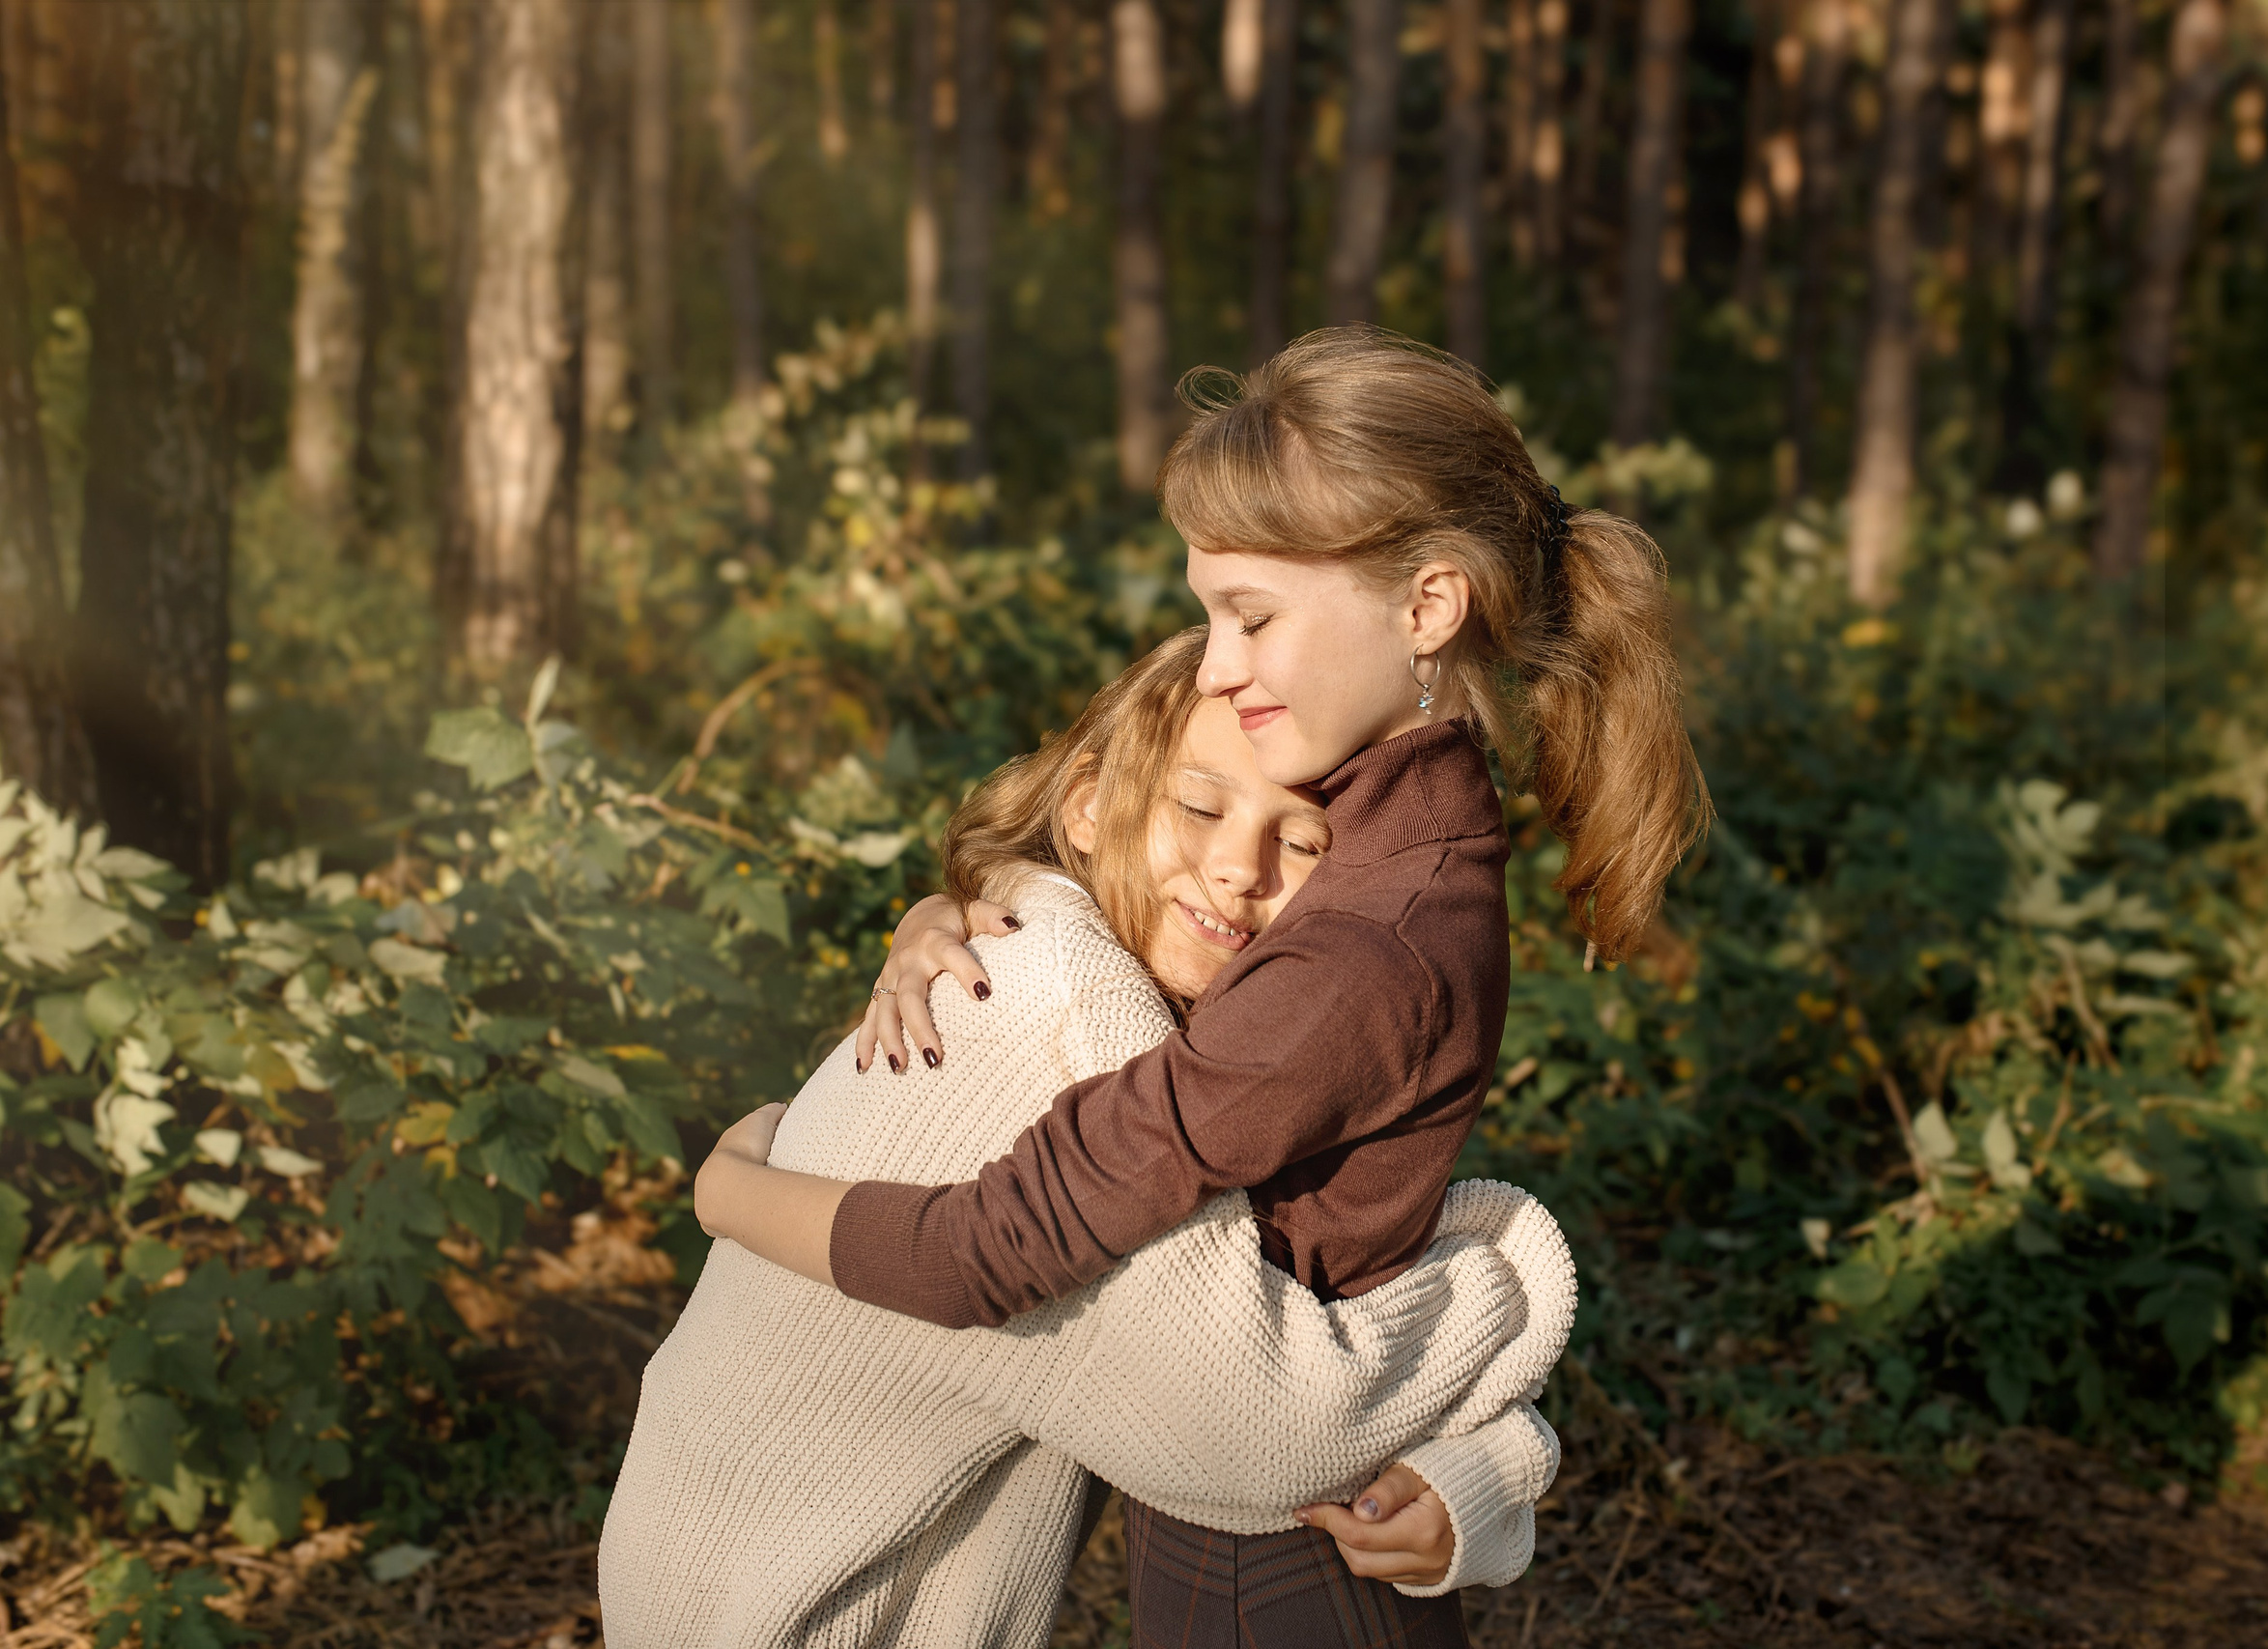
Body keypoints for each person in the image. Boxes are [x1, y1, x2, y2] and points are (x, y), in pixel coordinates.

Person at [759, 327, 1712, 1645]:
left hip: (1279, 1574)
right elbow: (1137, 889)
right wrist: (947, 910)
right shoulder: (1359, 832)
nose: (1214, 661)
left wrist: (734, 1187)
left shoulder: (1366, 936)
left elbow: (998, 1243)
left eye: (1250, 614)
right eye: (1210, 612)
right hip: (1255, 1530)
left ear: (1428, 608)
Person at [601, 630, 1573, 1649]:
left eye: (1303, 843)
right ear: (1089, 802)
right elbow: (1274, 1437)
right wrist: (1506, 1270)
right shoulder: (1064, 1019)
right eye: (1199, 806)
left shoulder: (1095, 981)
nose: (1239, 867)